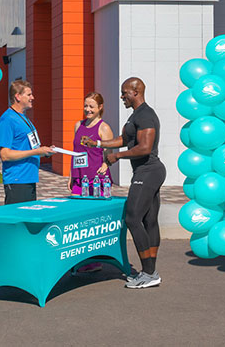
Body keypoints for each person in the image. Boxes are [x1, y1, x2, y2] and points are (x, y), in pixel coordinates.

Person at [82, 77, 166, 289]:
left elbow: (145, 147)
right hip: (146, 171)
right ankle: (151, 272)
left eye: (124, 93)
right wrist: (98, 143)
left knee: (132, 218)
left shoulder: (146, 115)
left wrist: (117, 157)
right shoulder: (136, 116)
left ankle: (148, 272)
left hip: (149, 171)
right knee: (149, 221)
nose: (121, 97)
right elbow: (124, 140)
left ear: (135, 92)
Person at [69, 92, 114, 273]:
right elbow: (75, 152)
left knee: (93, 222)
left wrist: (106, 163)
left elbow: (111, 153)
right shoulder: (78, 125)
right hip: (80, 179)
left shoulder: (104, 128)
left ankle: (95, 261)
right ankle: (80, 260)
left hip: (97, 181)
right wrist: (71, 176)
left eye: (91, 107)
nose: (87, 109)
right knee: (77, 221)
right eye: (85, 106)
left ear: (100, 108)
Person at [0, 80, 54, 204]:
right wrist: (37, 151)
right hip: (17, 180)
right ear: (17, 96)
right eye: (29, 94)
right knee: (17, 221)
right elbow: (5, 155)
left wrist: (44, 151)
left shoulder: (23, 117)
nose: (32, 97)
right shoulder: (7, 119)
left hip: (29, 178)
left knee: (28, 220)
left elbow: (28, 147)